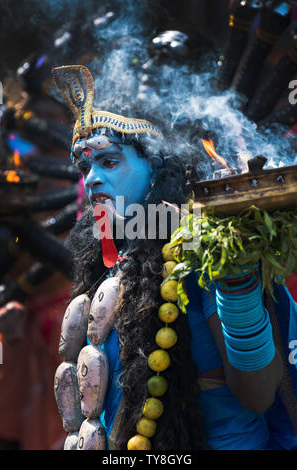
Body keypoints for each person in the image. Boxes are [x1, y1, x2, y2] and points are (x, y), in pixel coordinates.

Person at [53, 64, 297, 450]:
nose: (92, 178)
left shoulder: (199, 253)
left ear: (154, 168)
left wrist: (236, 283)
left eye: (109, 161)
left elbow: (259, 396)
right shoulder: (110, 261)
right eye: (85, 166)